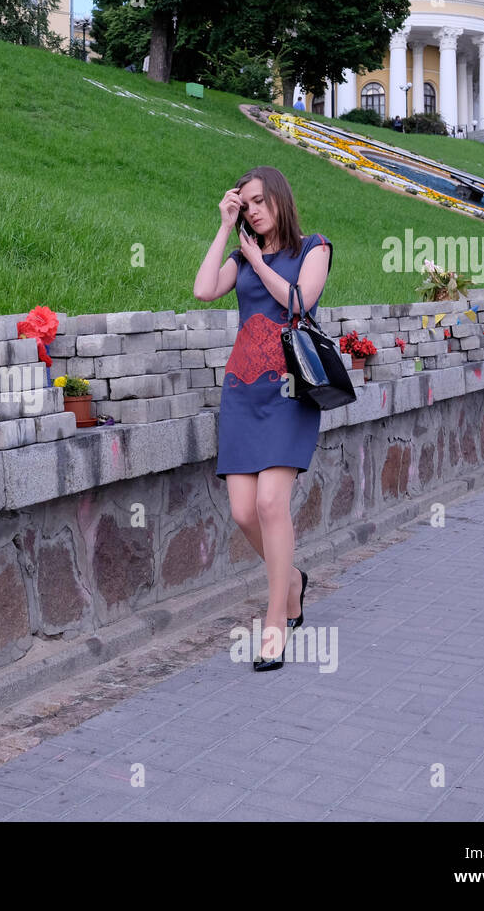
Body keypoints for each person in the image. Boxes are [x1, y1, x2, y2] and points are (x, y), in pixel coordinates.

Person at [192, 166, 332, 671]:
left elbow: (299, 302)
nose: (252, 210)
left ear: (278, 198)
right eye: (244, 204)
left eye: (257, 201)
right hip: (242, 394)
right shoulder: (239, 254)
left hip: (290, 392)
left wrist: (257, 259)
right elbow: (204, 290)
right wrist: (225, 228)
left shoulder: (314, 247)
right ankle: (291, 579)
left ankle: (276, 617)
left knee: (273, 503)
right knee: (244, 513)